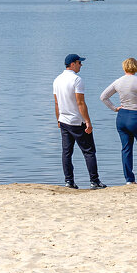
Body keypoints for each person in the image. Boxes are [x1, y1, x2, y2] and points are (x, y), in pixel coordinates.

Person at [99, 57, 137, 185]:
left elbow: (103, 97)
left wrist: (115, 108)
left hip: (122, 118)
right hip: (136, 117)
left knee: (126, 149)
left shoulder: (118, 82)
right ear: (136, 67)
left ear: (124, 67)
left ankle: (129, 180)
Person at [53, 53, 106, 189]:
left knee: (66, 152)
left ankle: (69, 181)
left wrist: (58, 119)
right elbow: (80, 102)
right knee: (89, 151)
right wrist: (88, 121)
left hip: (64, 120)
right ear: (72, 64)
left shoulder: (57, 80)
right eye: (79, 62)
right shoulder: (77, 80)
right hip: (77, 121)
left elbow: (56, 103)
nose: (81, 65)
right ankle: (94, 181)